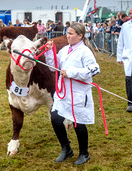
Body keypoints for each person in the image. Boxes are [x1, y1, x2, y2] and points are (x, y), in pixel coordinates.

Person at [45, 22, 100, 165]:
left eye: (70, 33)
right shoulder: (64, 50)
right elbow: (54, 67)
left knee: (78, 123)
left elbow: (94, 69)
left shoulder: (85, 51)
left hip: (78, 93)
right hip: (63, 92)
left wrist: (71, 73)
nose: (67, 36)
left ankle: (84, 153)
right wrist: (49, 52)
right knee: (55, 118)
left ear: (80, 36)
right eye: (67, 33)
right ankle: (66, 149)